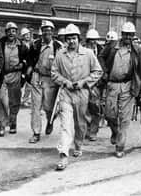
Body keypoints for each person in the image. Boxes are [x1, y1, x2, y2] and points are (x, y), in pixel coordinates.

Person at [51, 24, 102, 171]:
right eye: (69, 38)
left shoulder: (88, 53)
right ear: (65, 40)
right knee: (66, 125)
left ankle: (78, 144)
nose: (72, 41)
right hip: (66, 93)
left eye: (74, 38)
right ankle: (63, 154)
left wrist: (84, 82)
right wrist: (65, 82)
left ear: (79, 39)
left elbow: (98, 71)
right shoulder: (60, 54)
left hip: (82, 94)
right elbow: (54, 73)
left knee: (80, 123)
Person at [101, 21, 141, 158]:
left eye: (130, 35)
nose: (127, 38)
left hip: (128, 85)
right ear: (122, 34)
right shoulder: (113, 46)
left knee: (125, 118)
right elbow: (101, 57)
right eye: (125, 35)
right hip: (112, 84)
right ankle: (114, 131)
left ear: (133, 36)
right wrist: (104, 71)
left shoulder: (137, 50)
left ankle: (120, 146)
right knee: (110, 114)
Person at [26, 20, 63, 143]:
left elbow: (62, 63)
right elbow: (30, 58)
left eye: (49, 30)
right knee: (35, 107)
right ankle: (36, 132)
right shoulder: (35, 44)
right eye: (44, 30)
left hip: (50, 80)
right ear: (41, 32)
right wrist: (29, 69)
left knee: (48, 107)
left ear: (52, 32)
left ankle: (50, 120)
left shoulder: (58, 46)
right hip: (37, 76)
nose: (46, 33)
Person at [0, 22, 28, 136]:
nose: (11, 33)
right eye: (9, 31)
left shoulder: (22, 45)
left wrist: (22, 66)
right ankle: (2, 126)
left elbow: (26, 60)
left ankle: (13, 123)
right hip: (3, 76)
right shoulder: (0, 43)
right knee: (1, 100)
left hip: (16, 75)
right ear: (6, 32)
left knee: (14, 101)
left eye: (13, 31)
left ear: (16, 33)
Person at [85, 29, 105, 141]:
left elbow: (104, 68)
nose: (93, 42)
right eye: (91, 40)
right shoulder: (82, 50)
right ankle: (86, 130)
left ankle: (93, 131)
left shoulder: (102, 51)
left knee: (95, 108)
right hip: (84, 83)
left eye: (95, 40)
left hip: (97, 85)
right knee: (83, 109)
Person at [20, 27, 33, 107]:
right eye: (25, 35)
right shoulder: (20, 44)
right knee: (20, 84)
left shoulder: (32, 44)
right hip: (22, 67)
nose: (27, 36)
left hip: (30, 67)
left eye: (28, 34)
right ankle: (17, 99)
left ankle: (25, 99)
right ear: (23, 36)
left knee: (29, 85)